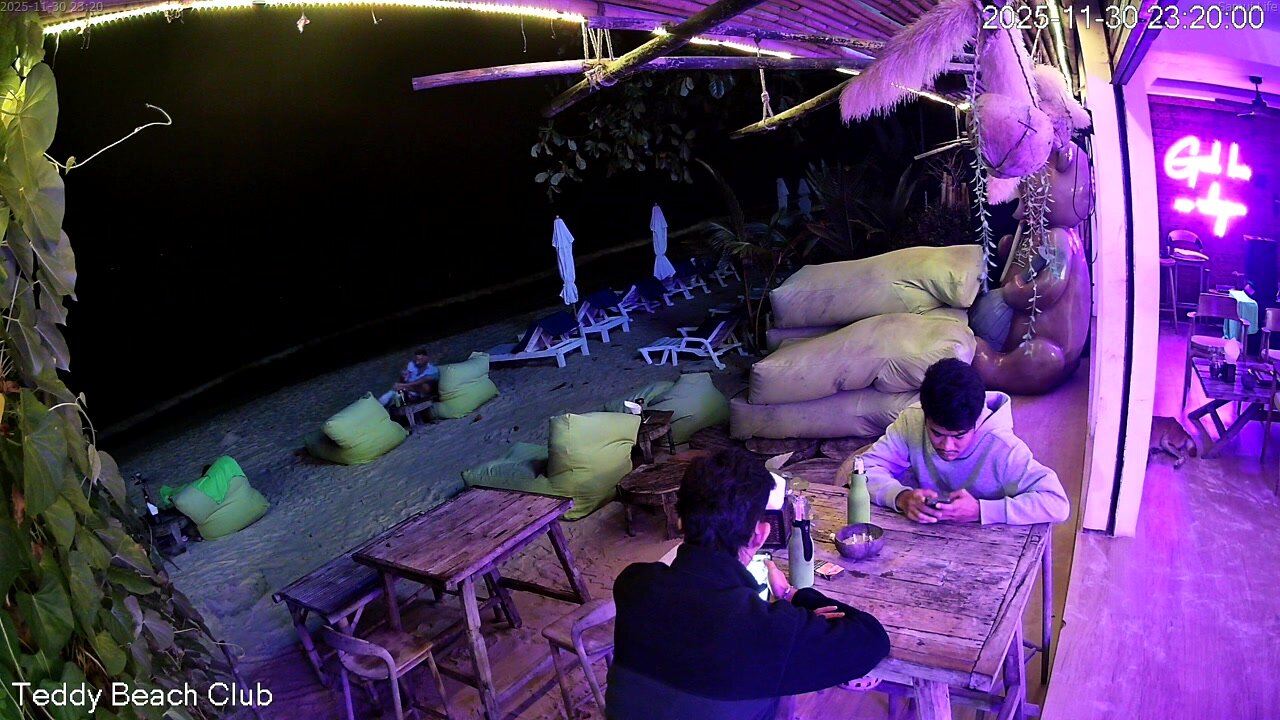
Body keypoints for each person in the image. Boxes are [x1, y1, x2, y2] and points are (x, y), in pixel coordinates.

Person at [607, 449, 890, 720]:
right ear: (760, 536)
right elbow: (873, 639)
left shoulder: (633, 585)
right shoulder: (767, 628)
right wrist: (792, 595)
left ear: (680, 522)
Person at [863, 357, 1070, 526]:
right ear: (926, 416)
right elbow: (864, 470)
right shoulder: (912, 420)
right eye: (936, 433)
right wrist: (901, 497)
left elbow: (1056, 503)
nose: (947, 447)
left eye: (959, 436)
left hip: (991, 545)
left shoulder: (1002, 447)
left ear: (976, 422)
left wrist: (981, 510)